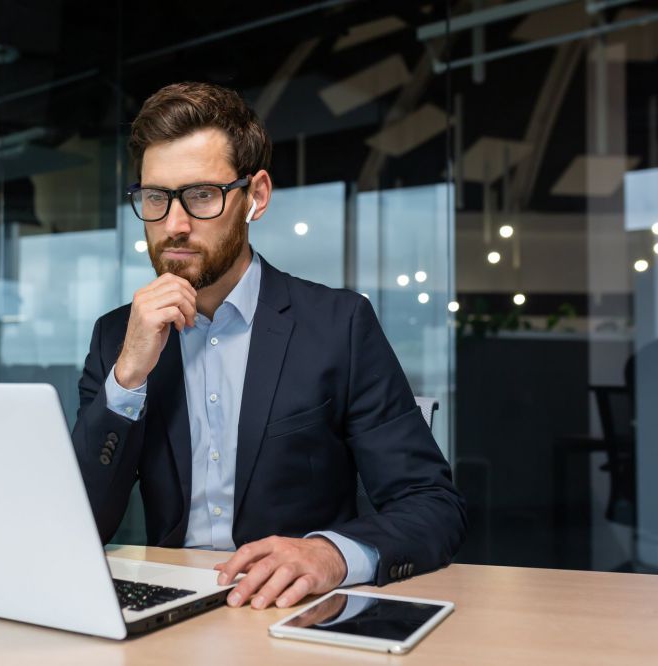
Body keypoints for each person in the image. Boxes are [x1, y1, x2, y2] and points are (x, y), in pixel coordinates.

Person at [71, 82, 466, 611]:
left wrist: (333, 554)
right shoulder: (117, 337)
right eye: (155, 198)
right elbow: (81, 523)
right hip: (165, 608)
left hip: (291, 610)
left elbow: (432, 504)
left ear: (255, 196)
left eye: (202, 196)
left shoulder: (339, 325)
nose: (174, 225)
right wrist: (127, 379)